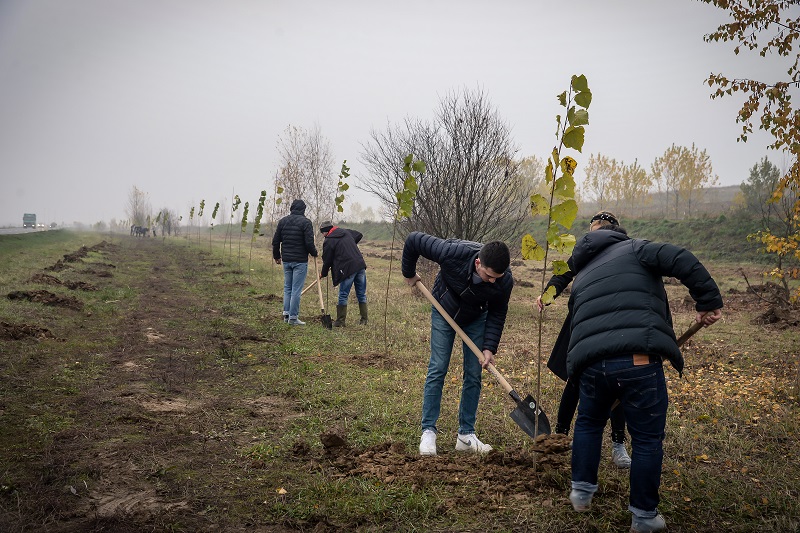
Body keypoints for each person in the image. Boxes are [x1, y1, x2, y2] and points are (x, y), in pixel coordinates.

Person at [564, 221, 723, 533]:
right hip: (636, 358)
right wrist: (708, 300)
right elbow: (681, 259)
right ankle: (644, 517)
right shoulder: (636, 247)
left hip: (591, 363)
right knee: (648, 438)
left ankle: (581, 493)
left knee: (588, 422)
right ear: (618, 236)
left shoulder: (582, 274)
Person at [401, 231, 513, 456]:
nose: (492, 281)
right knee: (438, 367)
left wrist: (489, 347)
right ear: (478, 262)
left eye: (496, 278)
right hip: (444, 308)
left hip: (476, 317)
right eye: (489, 275)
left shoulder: (504, 280)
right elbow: (414, 240)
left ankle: (466, 435)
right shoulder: (453, 252)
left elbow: (498, 313)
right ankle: (428, 432)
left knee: (474, 373)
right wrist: (409, 273)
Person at [536, 211, 631, 469]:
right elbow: (564, 273)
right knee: (575, 377)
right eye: (591, 230)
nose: (593, 235)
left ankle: (618, 444)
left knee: (617, 382)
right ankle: (560, 436)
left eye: (598, 229)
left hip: (615, 324)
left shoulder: (627, 251)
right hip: (583, 321)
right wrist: (548, 294)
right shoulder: (585, 251)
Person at [271, 199, 318, 325]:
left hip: (286, 260)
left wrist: (277, 256)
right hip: (300, 261)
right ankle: (293, 318)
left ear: (291, 208)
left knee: (287, 288)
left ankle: (286, 314)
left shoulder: (283, 222)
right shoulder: (306, 222)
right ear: (303, 210)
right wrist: (314, 252)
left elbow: (276, 241)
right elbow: (309, 243)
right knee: (296, 289)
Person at [318, 221, 368, 326]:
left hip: (347, 268)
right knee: (361, 294)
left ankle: (340, 321)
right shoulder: (345, 232)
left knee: (343, 295)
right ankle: (364, 320)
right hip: (360, 264)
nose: (323, 235)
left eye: (322, 233)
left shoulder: (329, 241)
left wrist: (323, 273)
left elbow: (327, 260)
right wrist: (349, 245)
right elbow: (359, 234)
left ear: (325, 232)